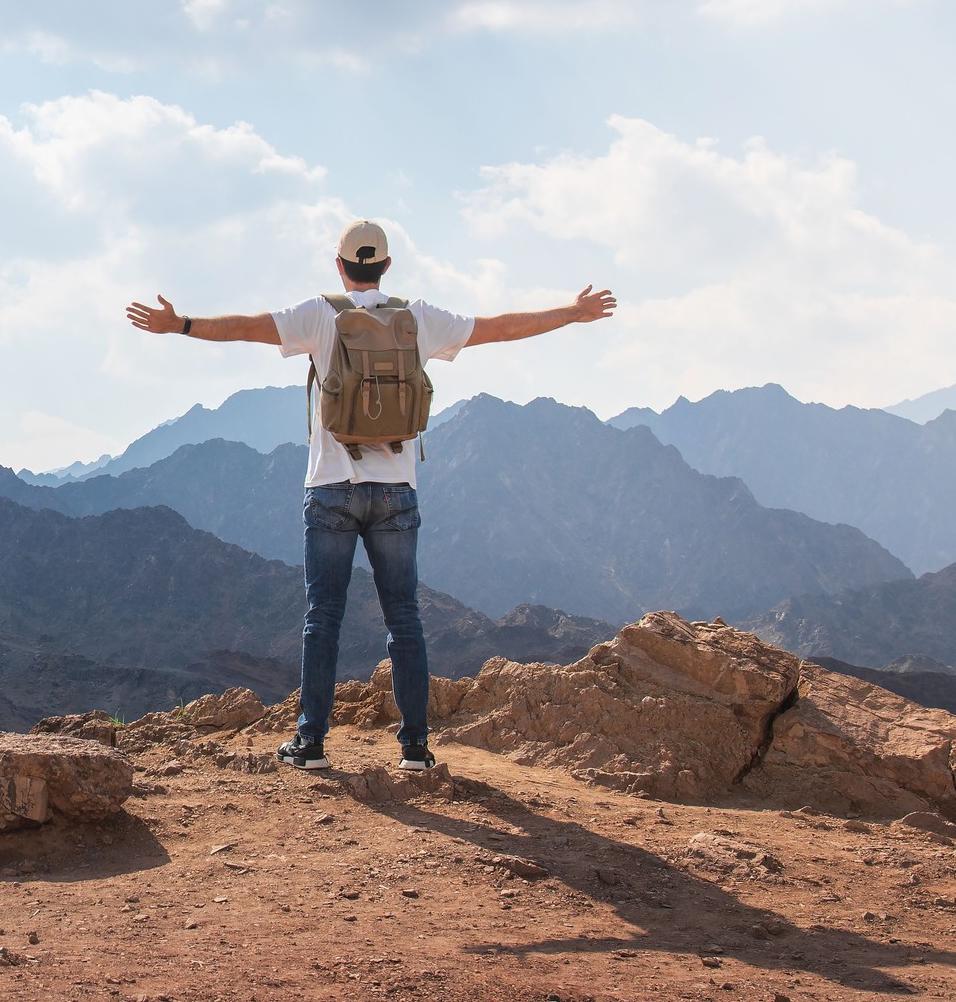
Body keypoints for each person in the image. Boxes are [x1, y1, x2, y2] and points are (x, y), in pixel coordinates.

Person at [124, 220, 616, 772]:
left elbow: (246, 327)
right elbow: (499, 328)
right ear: (386, 266)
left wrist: (180, 324)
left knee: (323, 617)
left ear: (340, 266)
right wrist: (571, 313)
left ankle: (310, 744)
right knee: (404, 617)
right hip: (395, 492)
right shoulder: (420, 318)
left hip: (330, 488)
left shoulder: (319, 314)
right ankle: (415, 749)